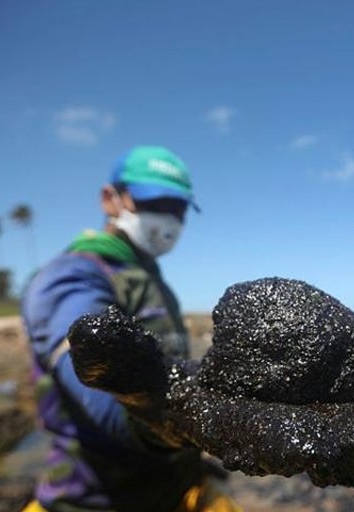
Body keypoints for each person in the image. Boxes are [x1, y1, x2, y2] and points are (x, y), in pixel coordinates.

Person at [20, 146, 239, 512]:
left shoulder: (152, 280)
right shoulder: (72, 276)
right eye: (154, 202)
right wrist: (176, 419)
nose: (166, 218)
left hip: (179, 484)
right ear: (110, 199)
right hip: (95, 498)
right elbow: (85, 375)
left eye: (177, 208)